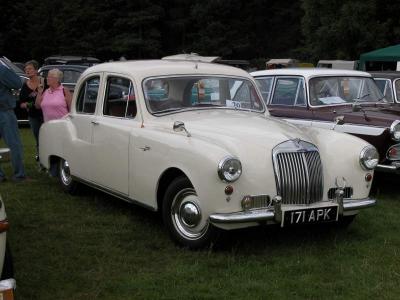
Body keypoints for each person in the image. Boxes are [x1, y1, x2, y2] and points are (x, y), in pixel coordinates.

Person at [0, 61, 26, 182]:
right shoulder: (2, 69)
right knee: (14, 144)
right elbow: (17, 83)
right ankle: (19, 175)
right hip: (4, 111)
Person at [19, 60, 44, 159]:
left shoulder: (44, 81)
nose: (27, 71)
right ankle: (40, 158)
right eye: (26, 69)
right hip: (33, 116)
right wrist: (31, 104)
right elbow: (22, 104)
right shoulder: (25, 85)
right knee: (38, 138)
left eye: (30, 69)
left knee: (48, 137)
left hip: (46, 114)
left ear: (36, 70)